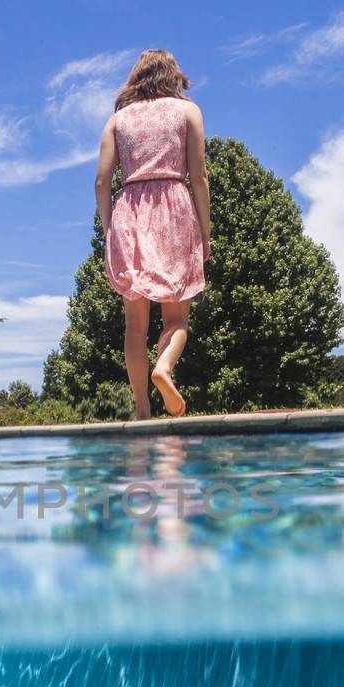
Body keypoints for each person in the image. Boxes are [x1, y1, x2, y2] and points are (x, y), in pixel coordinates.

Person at [94, 49, 211, 419]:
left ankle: (143, 409)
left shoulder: (118, 120)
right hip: (174, 209)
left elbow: (101, 181)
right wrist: (205, 233)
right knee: (176, 320)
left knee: (135, 324)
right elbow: (200, 177)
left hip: (129, 211)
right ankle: (164, 368)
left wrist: (109, 228)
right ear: (173, 75)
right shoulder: (187, 111)